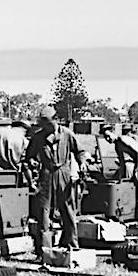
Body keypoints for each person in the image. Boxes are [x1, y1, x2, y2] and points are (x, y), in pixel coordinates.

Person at [23, 106, 85, 255]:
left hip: (64, 173)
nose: (46, 127)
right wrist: (32, 163)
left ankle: (71, 244)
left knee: (68, 209)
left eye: (48, 124)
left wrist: (82, 163)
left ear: (55, 120)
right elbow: (28, 156)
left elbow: (80, 151)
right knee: (44, 211)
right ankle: (45, 249)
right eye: (43, 124)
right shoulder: (38, 137)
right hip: (46, 174)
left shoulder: (67, 135)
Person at [100, 124, 138, 226]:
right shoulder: (117, 144)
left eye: (109, 135)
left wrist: (136, 170)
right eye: (105, 137)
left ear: (114, 132)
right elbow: (123, 162)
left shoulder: (123, 139)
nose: (108, 139)